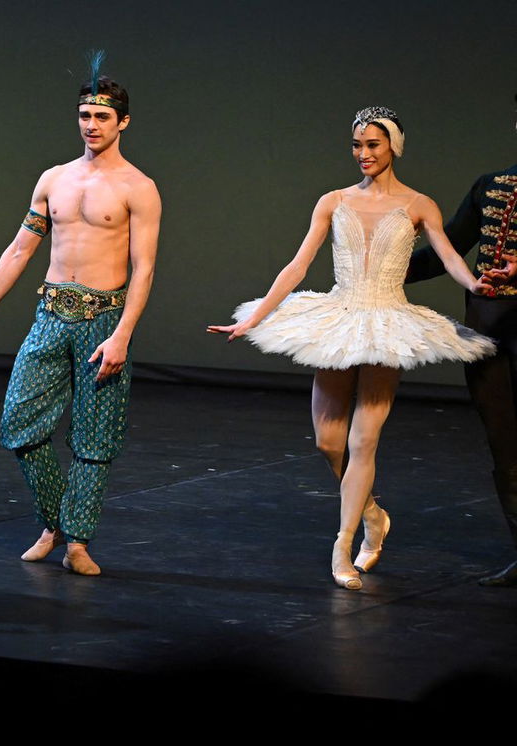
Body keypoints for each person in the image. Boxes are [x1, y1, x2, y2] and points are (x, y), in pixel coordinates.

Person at [209, 106, 496, 590]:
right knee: (327, 441)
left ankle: (344, 546)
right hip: (339, 319)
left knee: (364, 441)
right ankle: (373, 513)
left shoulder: (419, 204)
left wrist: (478, 284)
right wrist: (254, 319)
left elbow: (450, 257)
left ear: (393, 147)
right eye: (357, 145)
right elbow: (298, 266)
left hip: (387, 323)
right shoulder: (333, 200)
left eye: (373, 145)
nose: (363, 154)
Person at [0, 54, 161, 577]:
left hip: (103, 319)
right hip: (51, 313)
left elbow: (143, 271)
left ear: (123, 122)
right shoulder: (53, 180)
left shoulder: (138, 188)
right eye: (84, 116)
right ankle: (55, 521)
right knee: (18, 425)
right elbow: (19, 251)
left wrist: (121, 337)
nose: (91, 126)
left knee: (94, 442)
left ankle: (77, 543)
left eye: (101, 117)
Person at [401, 100, 516, 586]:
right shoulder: (491, 185)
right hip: (490, 334)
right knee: (505, 448)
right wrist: (380, 270)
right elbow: (448, 247)